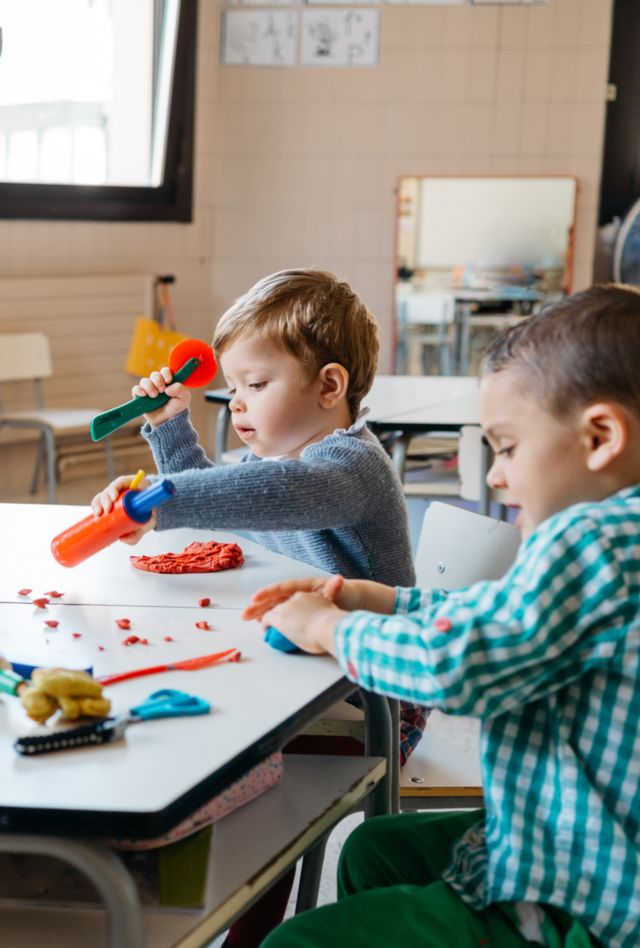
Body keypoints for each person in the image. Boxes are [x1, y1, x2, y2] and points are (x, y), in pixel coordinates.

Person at [245, 284, 640, 948]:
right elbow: (506, 616)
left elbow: (458, 670)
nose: (494, 476)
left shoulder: (592, 542)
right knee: (375, 849)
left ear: (600, 435)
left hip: (585, 903)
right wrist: (388, 600)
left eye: (508, 448)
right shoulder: (617, 537)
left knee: (293, 943)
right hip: (574, 835)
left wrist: (329, 629)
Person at [91, 267, 427, 947]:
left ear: (330, 387)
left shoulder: (348, 467)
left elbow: (274, 495)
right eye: (232, 388)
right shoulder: (288, 459)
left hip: (377, 697)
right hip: (307, 668)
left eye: (256, 385)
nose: (236, 406)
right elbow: (229, 496)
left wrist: (159, 501)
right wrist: (170, 427)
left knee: (232, 767)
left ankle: (225, 921)